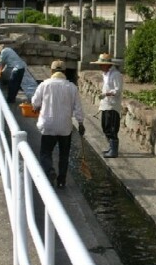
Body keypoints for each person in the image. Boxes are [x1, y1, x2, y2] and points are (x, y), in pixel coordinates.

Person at [31, 60, 85, 188]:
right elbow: (78, 108)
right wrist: (81, 123)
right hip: (65, 127)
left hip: (48, 125)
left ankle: (49, 170)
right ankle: (61, 181)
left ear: (51, 71)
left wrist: (36, 107)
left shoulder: (45, 85)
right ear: (64, 72)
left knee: (45, 152)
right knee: (64, 155)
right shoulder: (72, 87)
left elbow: (34, 102)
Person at [90, 53, 123, 158]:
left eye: (101, 65)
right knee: (105, 126)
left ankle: (114, 150)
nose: (100, 67)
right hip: (105, 104)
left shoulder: (116, 74)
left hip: (112, 105)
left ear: (107, 65)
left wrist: (106, 94)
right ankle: (110, 147)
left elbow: (117, 90)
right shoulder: (106, 74)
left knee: (112, 127)